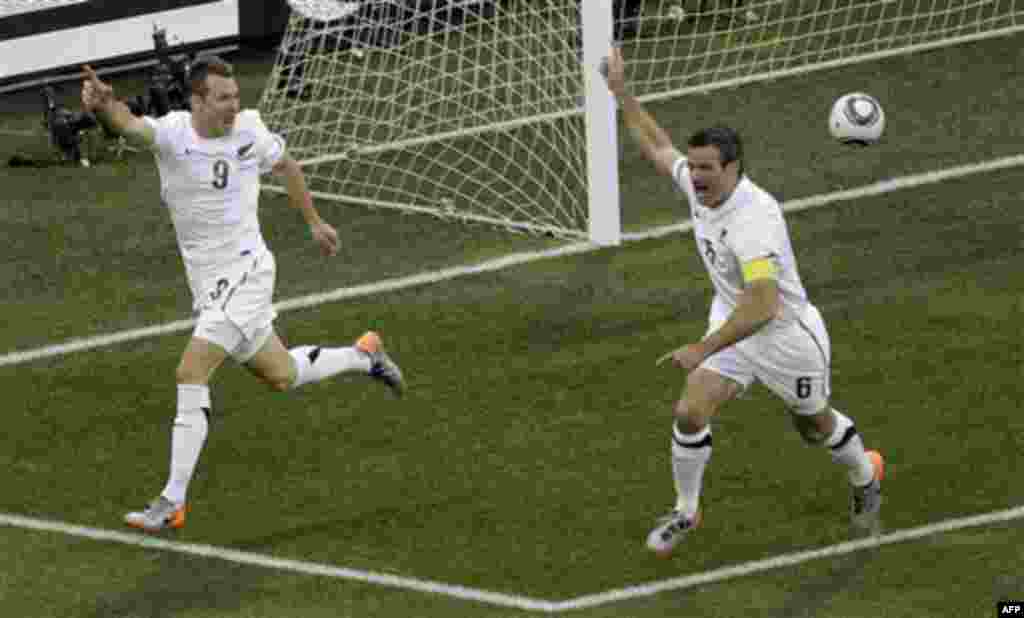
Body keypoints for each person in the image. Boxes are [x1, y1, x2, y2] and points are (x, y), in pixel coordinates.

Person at [80, 57, 405, 532]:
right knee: (283, 374)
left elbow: (286, 165)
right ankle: (364, 356)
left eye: (235, 96)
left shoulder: (250, 129)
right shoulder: (173, 135)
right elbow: (129, 127)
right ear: (197, 101)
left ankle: (172, 501)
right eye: (223, 98)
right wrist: (105, 106)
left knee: (191, 371)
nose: (234, 106)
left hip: (249, 275)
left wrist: (314, 222)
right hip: (210, 288)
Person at [600, 47, 884, 557]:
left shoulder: (754, 223)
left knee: (813, 425)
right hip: (734, 320)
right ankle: (687, 512)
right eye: (697, 168)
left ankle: (866, 475)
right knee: (689, 412)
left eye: (708, 169)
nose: (698, 177)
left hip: (785, 338)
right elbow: (658, 147)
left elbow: (763, 305)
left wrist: (701, 347)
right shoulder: (701, 187)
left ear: (734, 168)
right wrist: (621, 94)